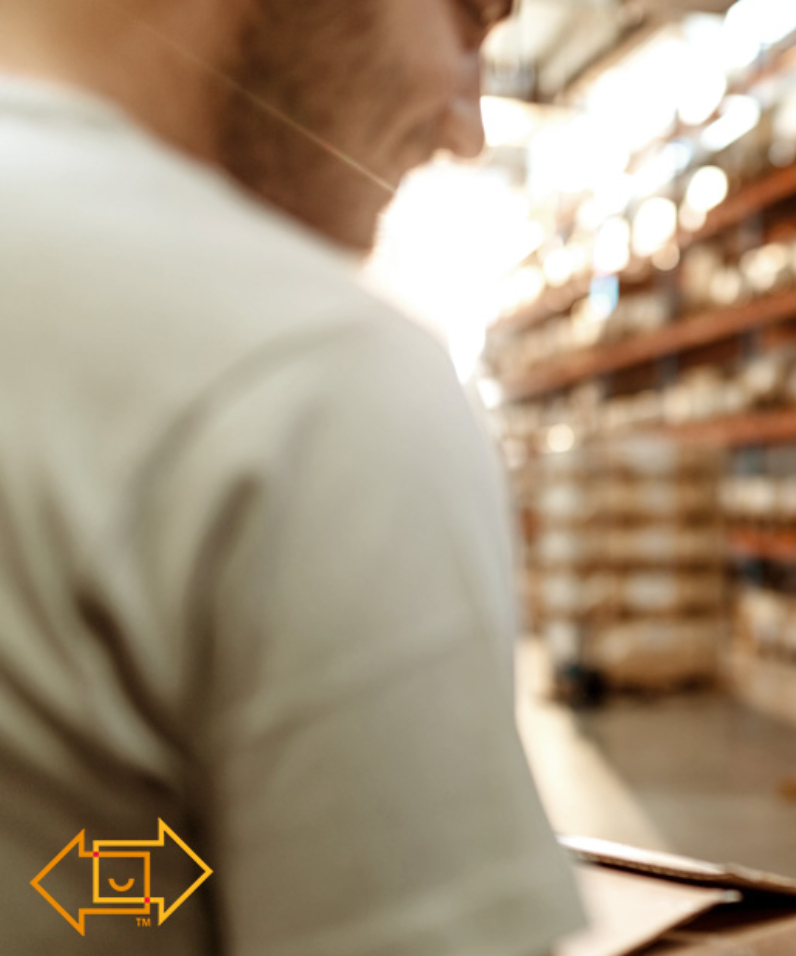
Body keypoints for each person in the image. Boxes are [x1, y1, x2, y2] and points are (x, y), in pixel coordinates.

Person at [0, 1, 584, 953]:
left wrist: (186, 876)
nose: (468, 128)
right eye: (470, 21)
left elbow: (57, 862)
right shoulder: (313, 378)